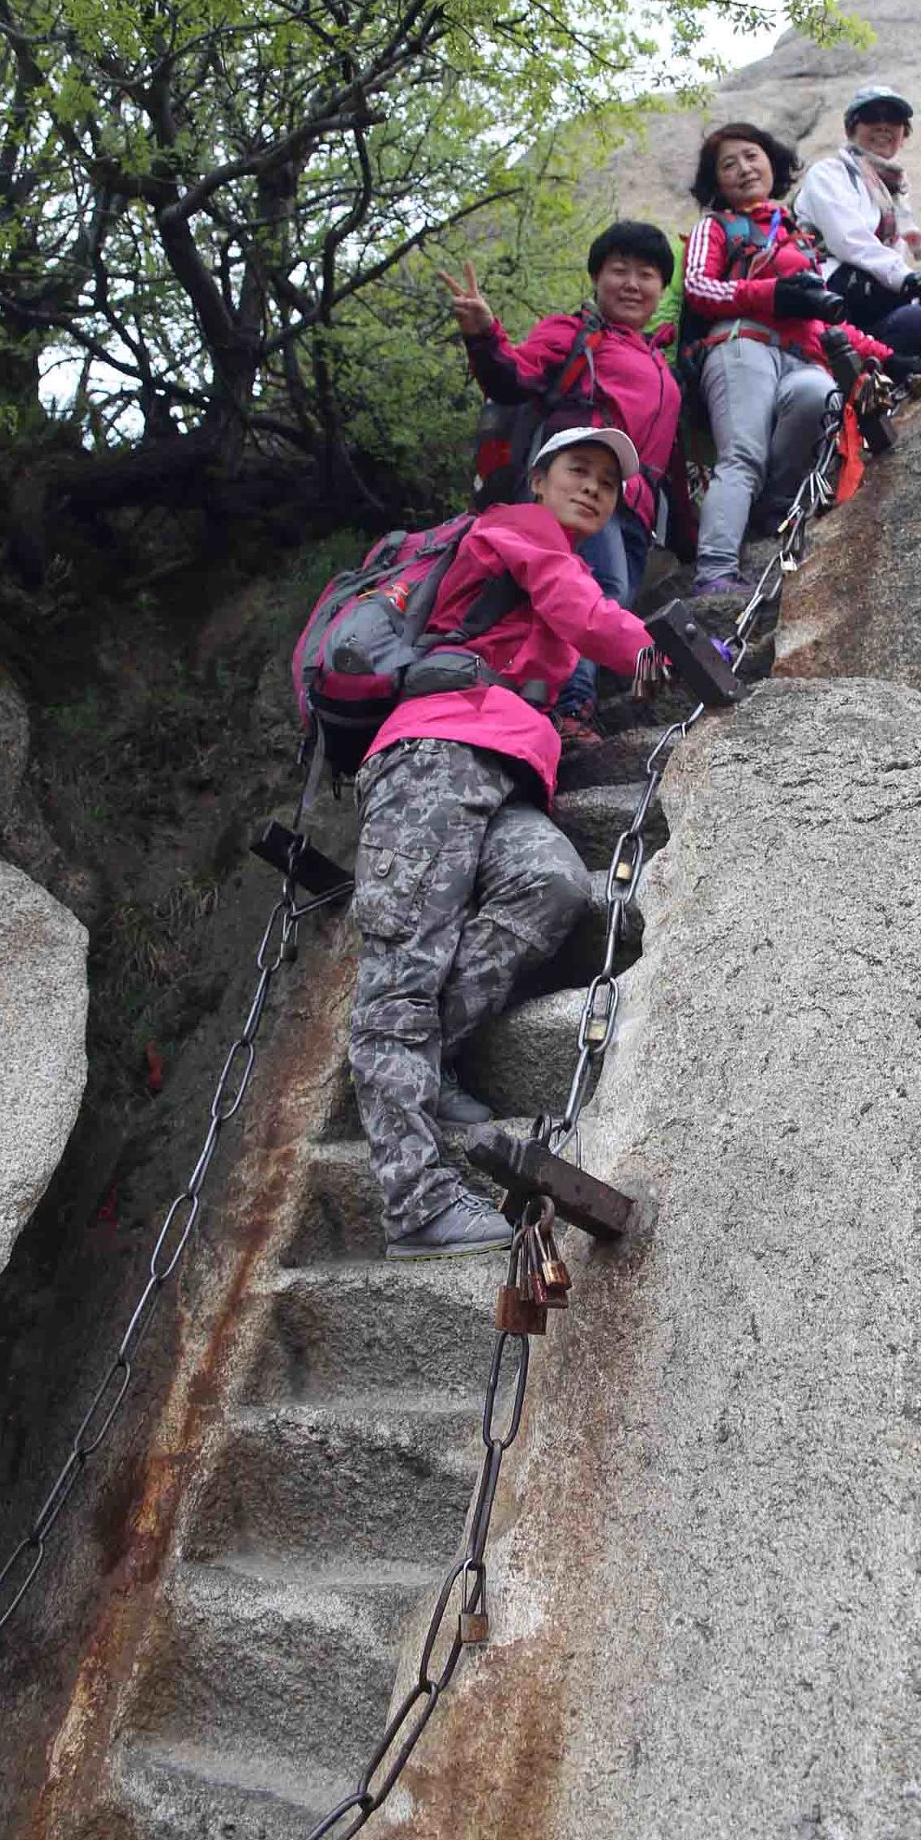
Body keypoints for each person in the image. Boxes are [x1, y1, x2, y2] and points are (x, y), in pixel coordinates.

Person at [350, 428, 663, 1257]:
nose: (595, 489)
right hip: (433, 754)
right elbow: (581, 609)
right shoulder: (516, 528)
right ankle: (415, 1201)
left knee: (554, 885)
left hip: (509, 778)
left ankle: (425, 1061)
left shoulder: (541, 571)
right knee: (405, 966)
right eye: (578, 471)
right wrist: (655, 650)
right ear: (537, 477)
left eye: (608, 482)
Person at [440, 221, 689, 753]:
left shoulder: (659, 362)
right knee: (597, 593)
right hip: (577, 484)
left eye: (646, 274)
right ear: (597, 278)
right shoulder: (575, 332)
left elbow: (669, 456)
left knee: (604, 598)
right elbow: (514, 376)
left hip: (636, 508)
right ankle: (568, 708)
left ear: (661, 290)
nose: (631, 283)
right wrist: (485, 336)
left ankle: (562, 700)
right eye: (618, 270)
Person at [682, 122, 892, 597]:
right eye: (728, 164)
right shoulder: (714, 227)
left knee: (821, 398)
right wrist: (773, 293)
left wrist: (884, 355)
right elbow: (699, 286)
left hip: (801, 358)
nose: (743, 169)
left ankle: (769, 514)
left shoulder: (796, 235)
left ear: (771, 163)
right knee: (743, 452)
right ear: (717, 183)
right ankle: (714, 571)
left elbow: (822, 320)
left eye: (751, 156)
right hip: (741, 345)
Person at [792, 85, 921, 376]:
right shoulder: (828, 174)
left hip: (871, 295)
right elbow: (848, 240)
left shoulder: (893, 189)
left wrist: (908, 281)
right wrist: (907, 279)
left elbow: (889, 256)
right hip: (834, 295)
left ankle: (878, 371)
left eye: (893, 119)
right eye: (871, 116)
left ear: (904, 134)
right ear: (851, 129)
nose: (883, 125)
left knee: (915, 321)